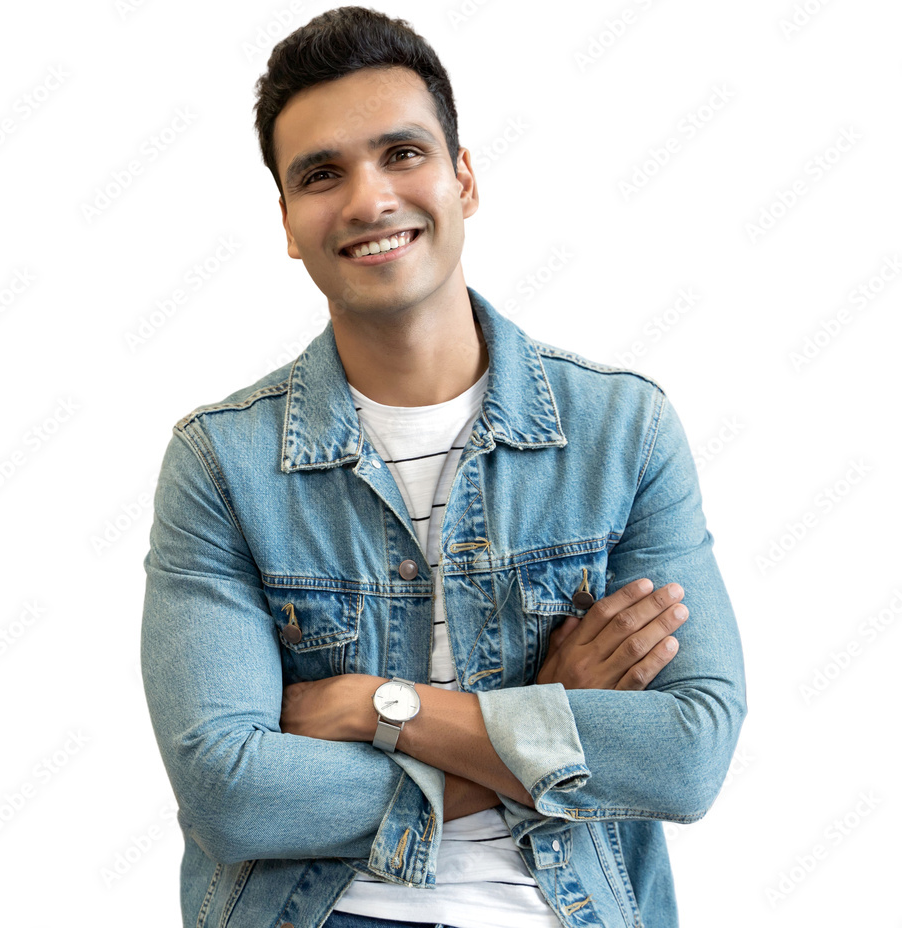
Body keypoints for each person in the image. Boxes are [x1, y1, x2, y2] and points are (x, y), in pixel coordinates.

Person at [140, 7, 747, 928]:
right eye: (321, 174)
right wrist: (547, 715)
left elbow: (688, 755)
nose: (368, 198)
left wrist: (377, 706)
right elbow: (233, 796)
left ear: (463, 178)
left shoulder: (623, 431)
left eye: (403, 154)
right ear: (288, 224)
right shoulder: (220, 463)